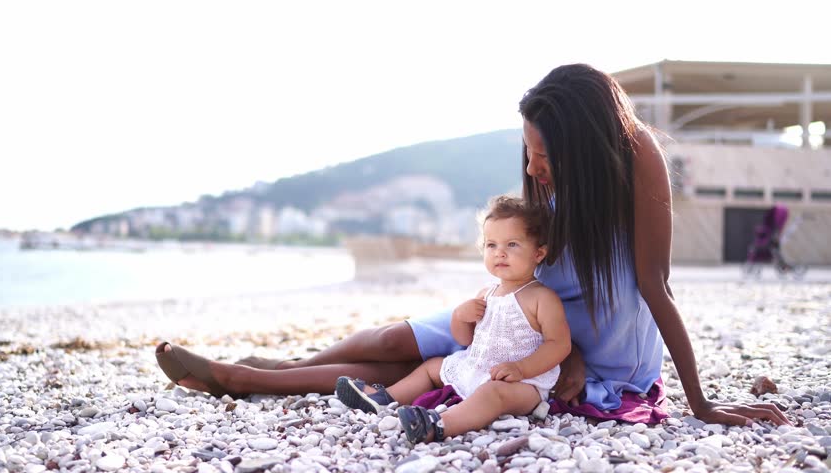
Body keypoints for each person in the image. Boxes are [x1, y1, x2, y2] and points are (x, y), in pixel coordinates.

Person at [155, 63, 790, 427]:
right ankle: (281, 370)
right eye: (529, 152)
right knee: (391, 343)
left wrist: (700, 404)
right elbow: (529, 250)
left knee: (404, 373)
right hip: (526, 302)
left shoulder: (639, 158)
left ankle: (242, 378)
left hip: (594, 339)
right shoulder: (550, 179)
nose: (535, 168)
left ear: (583, 144)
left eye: (545, 155)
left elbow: (656, 285)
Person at [334, 195, 570, 443]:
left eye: (512, 244)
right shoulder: (486, 293)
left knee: (492, 393)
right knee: (432, 366)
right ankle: (384, 398)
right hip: (476, 368)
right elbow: (465, 339)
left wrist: (521, 369)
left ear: (539, 253)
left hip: (522, 385)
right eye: (491, 245)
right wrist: (461, 317)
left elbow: (559, 344)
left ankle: (438, 425)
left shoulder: (542, 298)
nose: (500, 253)